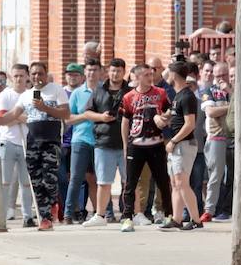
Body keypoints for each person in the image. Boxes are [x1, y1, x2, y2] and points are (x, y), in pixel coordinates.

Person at [4, 60, 69, 231]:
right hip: (33, 142)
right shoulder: (26, 95)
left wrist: (44, 107)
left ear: (46, 74)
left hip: (51, 141)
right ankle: (45, 218)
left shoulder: (56, 90)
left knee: (49, 179)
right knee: (36, 182)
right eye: (33, 74)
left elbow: (66, 113)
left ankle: (53, 203)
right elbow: (14, 114)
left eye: (40, 73)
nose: (37, 77)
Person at [119, 63, 173, 233]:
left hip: (156, 144)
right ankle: (127, 217)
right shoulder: (129, 97)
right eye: (146, 75)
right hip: (136, 145)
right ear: (136, 77)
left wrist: (164, 118)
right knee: (131, 183)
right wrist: (125, 145)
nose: (150, 77)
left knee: (163, 181)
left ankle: (168, 214)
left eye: (151, 74)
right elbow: (125, 121)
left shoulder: (161, 93)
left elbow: (170, 111)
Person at [84, 59, 128, 226]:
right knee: (103, 181)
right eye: (112, 71)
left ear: (124, 72)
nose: (115, 74)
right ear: (107, 72)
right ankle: (100, 215)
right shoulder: (99, 91)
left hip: (125, 144)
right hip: (103, 142)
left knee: (129, 181)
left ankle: (134, 214)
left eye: (118, 71)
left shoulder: (130, 91)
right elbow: (88, 113)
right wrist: (101, 117)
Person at [0, 65, 37, 227]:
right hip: (8, 142)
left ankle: (28, 217)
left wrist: (14, 115)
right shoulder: (5, 95)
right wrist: (21, 116)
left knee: (26, 183)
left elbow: (36, 117)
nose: (18, 79)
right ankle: (2, 217)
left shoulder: (34, 93)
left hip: (27, 142)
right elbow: (1, 118)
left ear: (27, 76)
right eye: (15, 76)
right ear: (11, 77)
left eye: (21, 75)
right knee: (5, 182)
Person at [161, 60, 201, 230]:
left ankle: (196, 220)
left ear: (174, 75)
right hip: (178, 144)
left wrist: (174, 140)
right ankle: (177, 218)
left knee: (182, 182)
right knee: (175, 182)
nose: (167, 76)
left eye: (169, 72)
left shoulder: (187, 96)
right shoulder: (178, 95)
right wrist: (164, 118)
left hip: (184, 144)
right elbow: (175, 116)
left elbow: (190, 124)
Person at [63, 63, 99, 224]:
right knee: (76, 178)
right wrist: (86, 115)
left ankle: (101, 212)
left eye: (95, 70)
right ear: (85, 73)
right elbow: (68, 119)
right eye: (89, 70)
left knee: (96, 179)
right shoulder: (77, 93)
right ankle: (68, 214)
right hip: (80, 140)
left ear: (101, 72)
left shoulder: (103, 91)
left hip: (100, 141)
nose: (92, 73)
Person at [198, 62, 232, 224]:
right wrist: (232, 106)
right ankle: (209, 210)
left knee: (233, 176)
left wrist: (230, 93)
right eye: (217, 76)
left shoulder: (233, 91)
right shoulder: (208, 91)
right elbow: (211, 112)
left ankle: (227, 209)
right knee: (215, 176)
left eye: (224, 75)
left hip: (234, 138)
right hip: (216, 137)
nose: (220, 79)